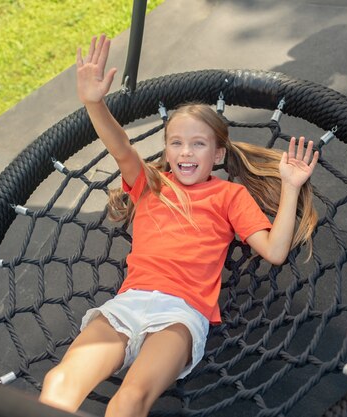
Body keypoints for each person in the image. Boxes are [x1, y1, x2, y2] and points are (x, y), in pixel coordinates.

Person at [39, 34, 319, 417]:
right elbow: (119, 144)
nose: (186, 152)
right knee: (59, 381)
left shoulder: (229, 196)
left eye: (198, 144)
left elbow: (274, 250)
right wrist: (93, 102)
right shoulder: (149, 183)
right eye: (176, 143)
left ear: (218, 153)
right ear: (167, 149)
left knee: (130, 399)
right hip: (129, 303)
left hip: (181, 314)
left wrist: (290, 187)